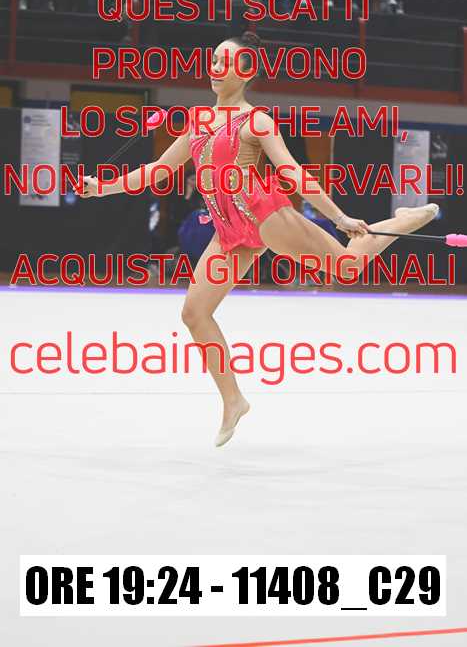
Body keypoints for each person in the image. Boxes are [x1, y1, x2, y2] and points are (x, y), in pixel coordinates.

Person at [78, 31, 439, 447]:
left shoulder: (257, 121)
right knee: (195, 313)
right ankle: (233, 400)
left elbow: (293, 172)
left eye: (226, 61)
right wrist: (101, 187)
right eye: (214, 59)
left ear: (246, 72)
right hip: (228, 229)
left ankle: (403, 220)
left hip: (263, 213)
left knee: (347, 266)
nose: (216, 67)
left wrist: (338, 216)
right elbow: (159, 169)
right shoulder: (198, 121)